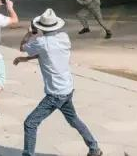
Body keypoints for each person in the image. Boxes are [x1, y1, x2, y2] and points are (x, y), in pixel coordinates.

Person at [15, 9, 103, 156]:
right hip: (67, 89)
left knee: (30, 123)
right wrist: (26, 59)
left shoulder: (41, 42)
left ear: (41, 27)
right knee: (73, 120)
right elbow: (49, 54)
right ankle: (94, 148)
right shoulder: (64, 37)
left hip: (55, 94)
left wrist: (30, 33)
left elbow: (22, 47)